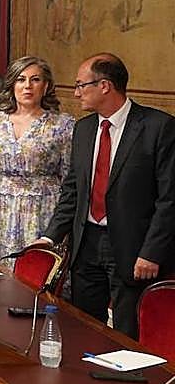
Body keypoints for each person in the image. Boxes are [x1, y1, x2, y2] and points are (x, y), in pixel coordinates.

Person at [37, 53, 175, 339]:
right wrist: (50, 236)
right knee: (83, 327)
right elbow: (73, 190)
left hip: (132, 249)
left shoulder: (158, 127)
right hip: (86, 243)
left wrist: (151, 252)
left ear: (104, 86)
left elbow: (169, 199)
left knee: (126, 333)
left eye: (80, 85)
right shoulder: (84, 128)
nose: (75, 94)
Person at [0, 57, 74, 262]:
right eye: (21, 79)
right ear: (12, 84)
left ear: (46, 86)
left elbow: (70, 180)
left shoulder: (62, 125)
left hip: (43, 214)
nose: (28, 86)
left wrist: (59, 229)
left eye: (35, 80)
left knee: (36, 280)